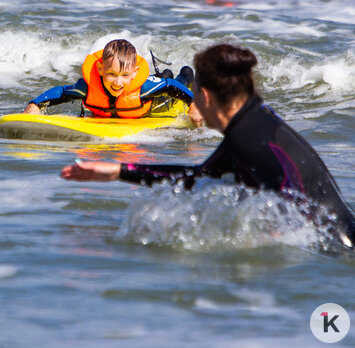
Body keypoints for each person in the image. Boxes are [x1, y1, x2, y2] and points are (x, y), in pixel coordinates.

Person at [61, 43, 355, 249]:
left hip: (332, 246)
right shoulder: (260, 117)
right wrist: (118, 170)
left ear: (205, 97)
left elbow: (193, 179)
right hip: (341, 232)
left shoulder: (243, 139)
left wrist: (118, 172)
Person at [24, 39, 200, 122]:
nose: (118, 82)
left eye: (124, 75)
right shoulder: (87, 87)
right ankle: (164, 74)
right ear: (100, 69)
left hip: (154, 104)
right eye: (112, 75)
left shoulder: (143, 87)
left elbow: (170, 87)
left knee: (171, 83)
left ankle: (185, 72)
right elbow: (62, 92)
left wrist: (193, 104)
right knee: (162, 80)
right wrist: (35, 105)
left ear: (134, 73)